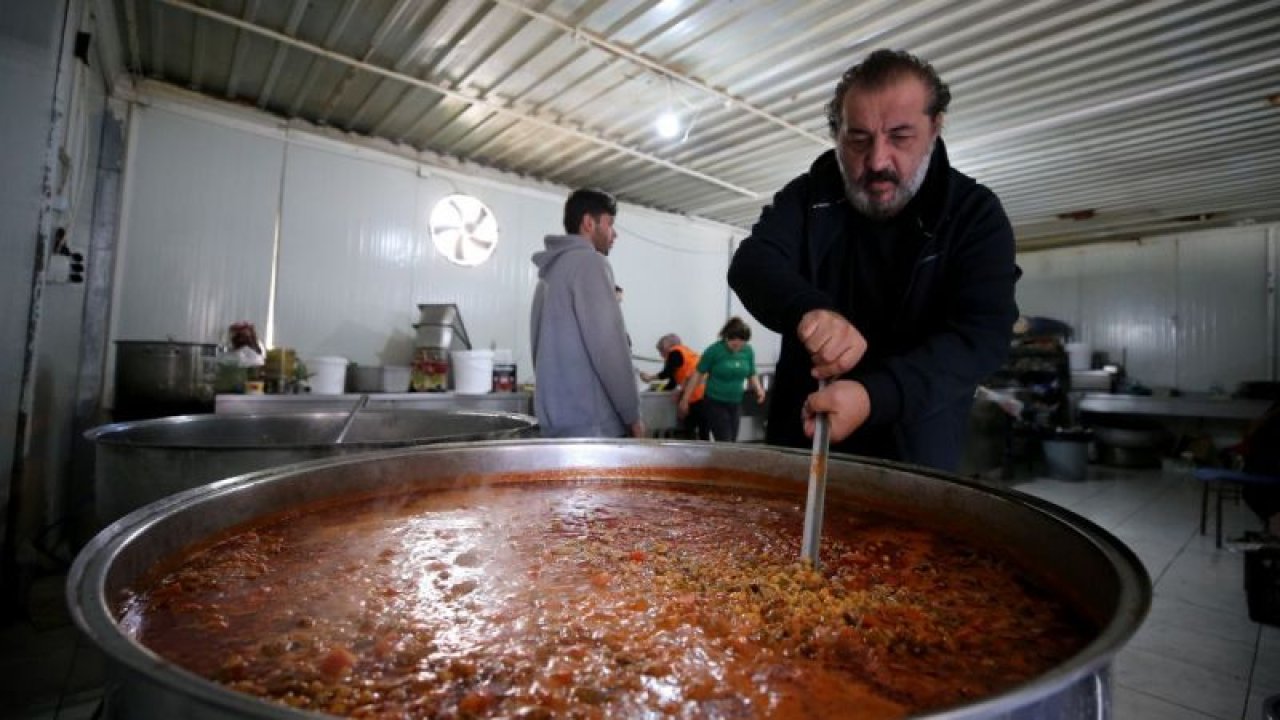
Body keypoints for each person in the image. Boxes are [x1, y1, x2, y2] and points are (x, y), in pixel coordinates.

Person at [727, 49, 1019, 471]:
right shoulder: (809, 197)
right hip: (803, 448)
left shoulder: (974, 214)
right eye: (858, 139)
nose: (877, 161)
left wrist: (873, 395)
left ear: (935, 128)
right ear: (836, 134)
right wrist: (809, 310)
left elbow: (983, 336)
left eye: (900, 136)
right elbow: (752, 263)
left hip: (915, 457)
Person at [531, 189, 646, 438]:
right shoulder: (591, 263)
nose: (614, 234)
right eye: (610, 224)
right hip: (593, 427)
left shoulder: (548, 274)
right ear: (588, 222)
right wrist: (632, 415)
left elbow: (536, 347)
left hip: (556, 425)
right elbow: (609, 347)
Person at [680, 318, 766, 442]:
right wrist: (685, 399)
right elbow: (697, 375)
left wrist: (759, 389)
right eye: (732, 340)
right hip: (715, 402)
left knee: (732, 440)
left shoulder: (748, 351)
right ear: (726, 336)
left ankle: (723, 460)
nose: (737, 344)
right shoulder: (714, 351)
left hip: (735, 403)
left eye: (741, 341)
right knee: (725, 440)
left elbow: (752, 373)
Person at [641, 333, 708, 439]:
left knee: (690, 429)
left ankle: (692, 452)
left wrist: (650, 378)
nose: (661, 355)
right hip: (705, 394)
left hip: (695, 396)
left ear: (666, 347)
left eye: (660, 351)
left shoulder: (674, 352)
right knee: (703, 430)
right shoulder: (686, 352)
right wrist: (659, 388)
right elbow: (672, 382)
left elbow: (666, 373)